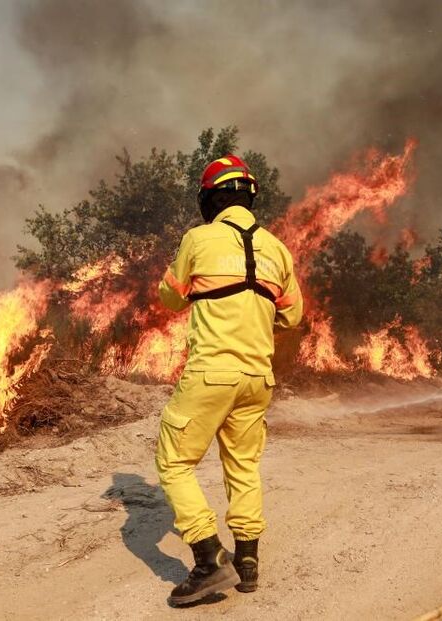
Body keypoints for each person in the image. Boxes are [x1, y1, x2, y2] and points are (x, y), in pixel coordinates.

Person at [155, 154, 304, 605]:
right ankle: (247, 562)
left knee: (174, 460)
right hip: (258, 377)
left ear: (211, 198)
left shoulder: (198, 239)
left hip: (210, 372)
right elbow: (294, 314)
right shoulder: (278, 249)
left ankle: (208, 558)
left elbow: (170, 298)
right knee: (242, 465)